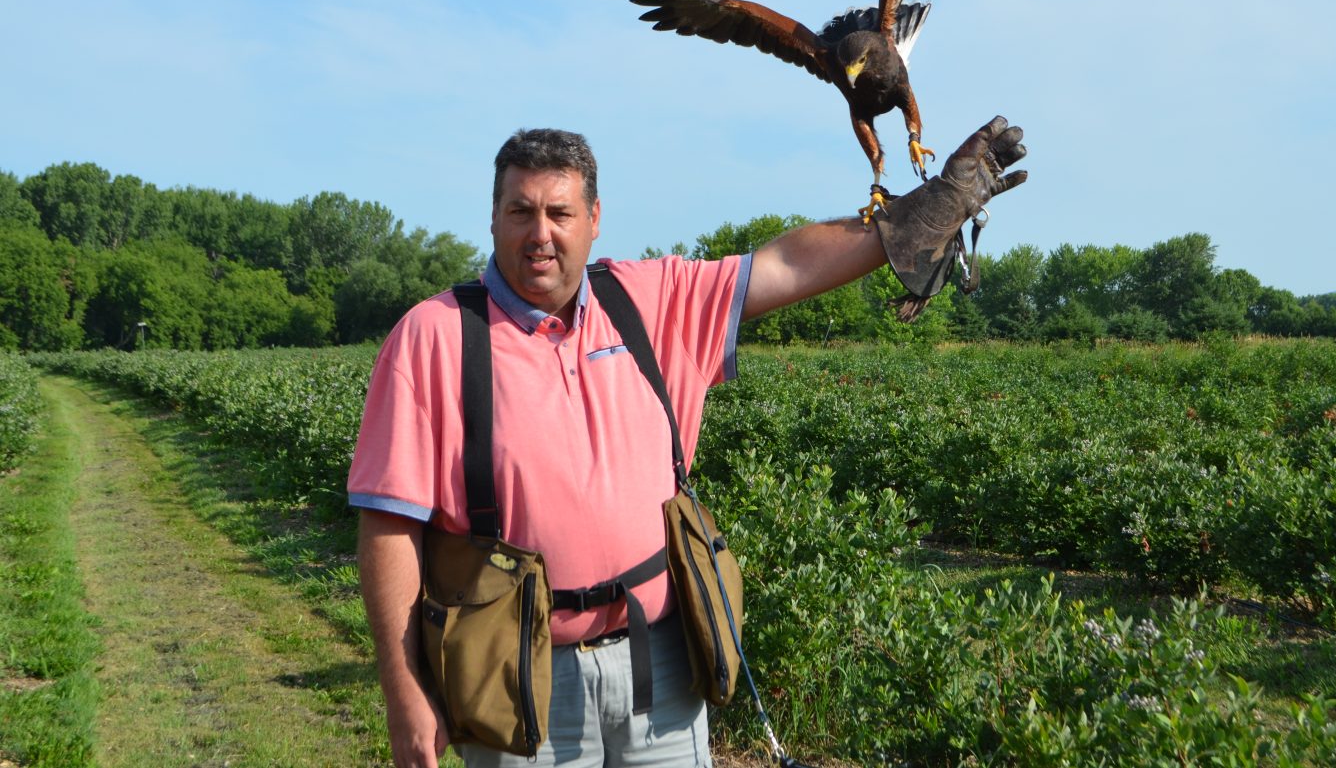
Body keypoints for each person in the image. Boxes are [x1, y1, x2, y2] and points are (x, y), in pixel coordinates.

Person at [349, 118, 1026, 768]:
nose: (540, 234)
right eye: (521, 211)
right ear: (492, 218)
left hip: (661, 660)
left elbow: (785, 263)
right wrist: (405, 688)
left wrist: (919, 213)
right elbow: (388, 526)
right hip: (513, 671)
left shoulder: (648, 299)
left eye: (560, 212)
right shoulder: (433, 336)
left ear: (594, 220)